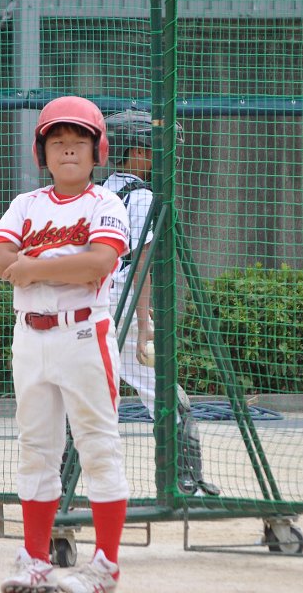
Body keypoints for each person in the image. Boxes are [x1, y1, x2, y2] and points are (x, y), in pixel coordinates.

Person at [0, 96, 130, 593]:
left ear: (97, 152)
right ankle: (35, 560)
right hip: (29, 337)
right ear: (42, 153)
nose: (68, 149)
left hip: (83, 334)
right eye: (57, 141)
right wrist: (52, 267)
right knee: (36, 450)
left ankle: (105, 566)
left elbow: (97, 263)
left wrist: (31, 267)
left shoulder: (105, 203)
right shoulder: (26, 204)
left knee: (98, 448)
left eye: (78, 142)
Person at [101, 109, 220, 497]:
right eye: (152, 148)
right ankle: (185, 481)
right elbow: (141, 266)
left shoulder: (98, 192)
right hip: (121, 304)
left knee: (85, 399)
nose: (160, 156)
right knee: (166, 394)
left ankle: (60, 487)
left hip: (92, 303)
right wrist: (144, 324)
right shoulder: (142, 197)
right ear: (136, 152)